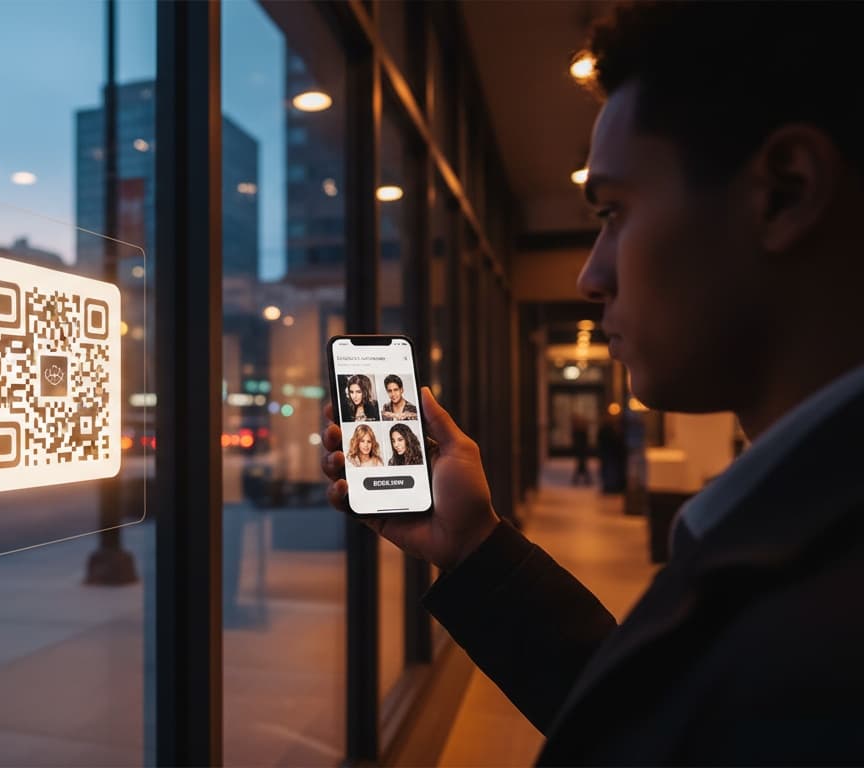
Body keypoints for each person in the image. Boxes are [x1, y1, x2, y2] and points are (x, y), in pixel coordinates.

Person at [322, 3, 864, 763]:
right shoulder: (796, 532)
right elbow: (665, 726)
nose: (589, 275)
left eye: (613, 211)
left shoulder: (827, 626)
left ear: (784, 190)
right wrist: (476, 548)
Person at [569, 414, 592, 486]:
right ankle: (585, 480)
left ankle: (580, 480)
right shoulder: (579, 431)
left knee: (581, 466)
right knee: (582, 466)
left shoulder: (578, 431)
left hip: (581, 451)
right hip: (581, 451)